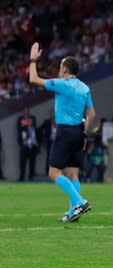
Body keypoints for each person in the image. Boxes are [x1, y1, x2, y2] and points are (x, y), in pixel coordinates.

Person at [29, 42, 95, 222]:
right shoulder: (84, 88)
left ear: (65, 69)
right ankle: (74, 210)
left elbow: (33, 80)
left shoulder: (63, 84)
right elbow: (92, 114)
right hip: (79, 132)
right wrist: (85, 133)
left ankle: (80, 202)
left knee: (53, 173)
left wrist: (33, 60)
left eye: (60, 67)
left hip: (65, 131)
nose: (59, 70)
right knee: (73, 174)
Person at [17, 106, 39, 181]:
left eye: (30, 121)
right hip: (24, 145)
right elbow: (19, 134)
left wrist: (37, 143)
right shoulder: (22, 127)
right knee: (22, 162)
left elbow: (37, 136)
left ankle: (31, 177)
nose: (28, 122)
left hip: (32, 146)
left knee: (32, 162)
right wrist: (20, 144)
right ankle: (21, 177)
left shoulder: (34, 129)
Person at [39, 108, 57, 176]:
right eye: (51, 113)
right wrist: (43, 138)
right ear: (49, 114)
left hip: (57, 142)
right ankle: (48, 171)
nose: (52, 115)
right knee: (49, 157)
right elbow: (40, 129)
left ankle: (56, 171)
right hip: (50, 141)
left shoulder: (58, 121)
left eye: (53, 113)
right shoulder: (47, 122)